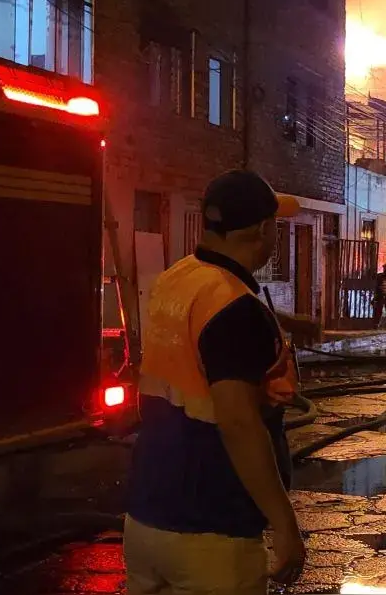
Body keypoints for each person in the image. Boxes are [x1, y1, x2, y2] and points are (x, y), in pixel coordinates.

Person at [125, 170, 321, 595]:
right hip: (210, 534)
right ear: (261, 230)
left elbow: (211, 327)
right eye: (275, 225)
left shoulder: (177, 278)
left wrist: (282, 321)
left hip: (145, 518)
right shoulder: (235, 310)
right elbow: (238, 423)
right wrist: (285, 526)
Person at [373, 264, 386, 329]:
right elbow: (376, 285)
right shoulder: (380, 276)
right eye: (385, 268)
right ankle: (376, 324)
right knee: (379, 309)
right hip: (381, 295)